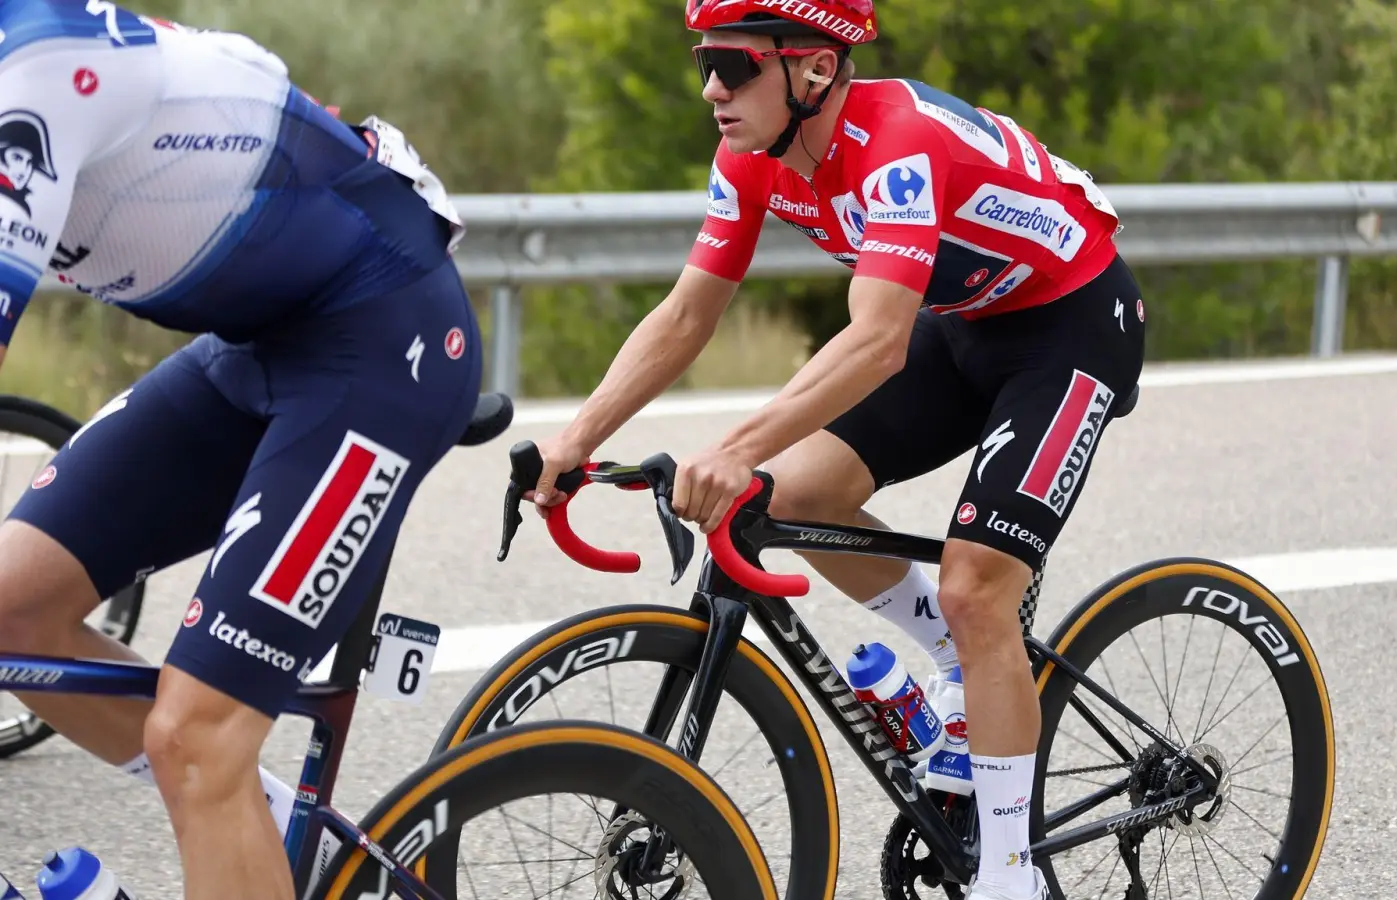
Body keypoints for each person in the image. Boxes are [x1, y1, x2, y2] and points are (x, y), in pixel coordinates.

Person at [526, 0, 1144, 897]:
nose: (711, 88)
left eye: (734, 67)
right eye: (704, 61)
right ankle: (946, 657)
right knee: (782, 499)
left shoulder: (894, 141)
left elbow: (877, 344)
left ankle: (1010, 874)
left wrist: (733, 445)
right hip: (963, 321)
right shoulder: (748, 158)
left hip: (1072, 325)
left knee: (979, 590)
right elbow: (689, 313)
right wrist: (574, 442)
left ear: (813, 69)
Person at [0, 2, 482, 897]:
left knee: (196, 737)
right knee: (11, 610)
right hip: (253, 342)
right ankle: (264, 838)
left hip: (380, 342)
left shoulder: (31, 77)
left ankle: (222, 793)